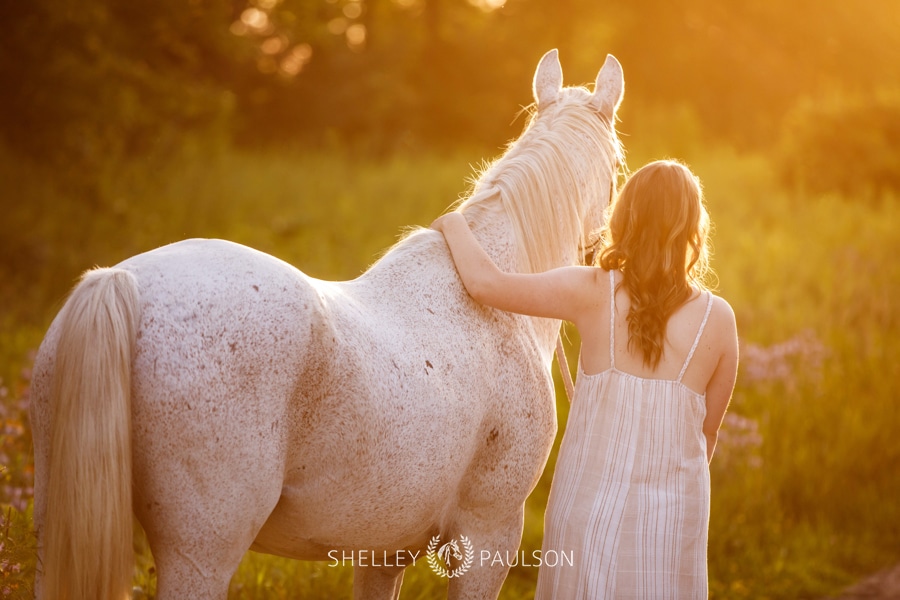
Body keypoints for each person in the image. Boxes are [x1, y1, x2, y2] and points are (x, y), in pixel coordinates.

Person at [431, 159, 738, 599]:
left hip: (587, 510)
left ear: (623, 216)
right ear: (693, 226)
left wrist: (454, 223)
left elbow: (485, 284)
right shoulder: (719, 320)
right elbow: (706, 438)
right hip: (672, 522)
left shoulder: (591, 289)